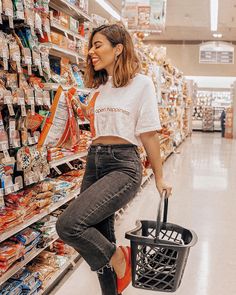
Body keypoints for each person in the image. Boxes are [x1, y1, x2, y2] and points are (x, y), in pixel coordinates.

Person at [56, 23, 172, 295]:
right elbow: (101, 127)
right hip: (95, 162)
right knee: (100, 236)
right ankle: (112, 286)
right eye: (91, 46)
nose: (91, 52)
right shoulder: (98, 87)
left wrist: (160, 177)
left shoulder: (142, 83)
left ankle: (121, 259)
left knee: (69, 225)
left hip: (123, 165)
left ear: (118, 48)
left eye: (98, 45)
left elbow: (149, 134)